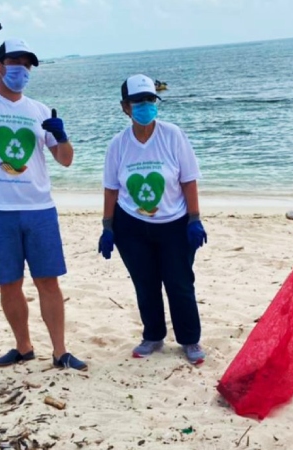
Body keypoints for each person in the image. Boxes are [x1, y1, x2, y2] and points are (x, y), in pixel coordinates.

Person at [0, 15, 86, 370]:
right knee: (9, 283)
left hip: (39, 209)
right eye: (14, 64)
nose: (21, 70)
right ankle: (23, 347)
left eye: (26, 66)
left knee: (48, 282)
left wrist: (62, 134)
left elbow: (65, 160)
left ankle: (60, 352)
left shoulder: (39, 110)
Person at [98, 74, 208, 365]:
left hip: (174, 223)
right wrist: (107, 227)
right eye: (138, 101)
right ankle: (153, 335)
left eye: (150, 100)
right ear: (125, 107)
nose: (145, 106)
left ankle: (190, 339)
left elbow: (189, 179)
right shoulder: (117, 145)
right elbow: (111, 189)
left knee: (180, 282)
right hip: (131, 225)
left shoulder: (173, 135)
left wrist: (194, 219)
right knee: (145, 283)